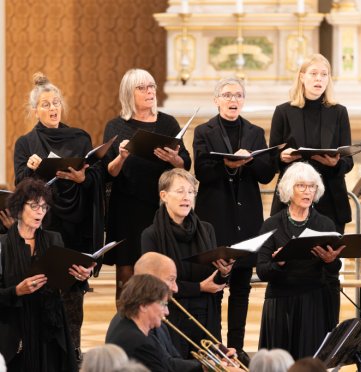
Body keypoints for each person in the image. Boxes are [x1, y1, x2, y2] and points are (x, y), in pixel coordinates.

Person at [13, 72, 105, 359]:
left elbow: (95, 178)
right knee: (43, 289)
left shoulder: (80, 137)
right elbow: (20, 190)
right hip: (44, 226)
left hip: (76, 224)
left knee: (74, 290)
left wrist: (81, 179)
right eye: (45, 104)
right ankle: (40, 352)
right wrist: (31, 170)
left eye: (56, 103)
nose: (52, 108)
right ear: (34, 111)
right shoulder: (26, 143)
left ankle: (74, 350)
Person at [193, 77, 275, 356]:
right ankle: (214, 349)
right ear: (216, 100)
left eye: (238, 95)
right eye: (227, 95)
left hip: (247, 219)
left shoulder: (255, 131)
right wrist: (227, 163)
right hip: (215, 220)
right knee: (214, 289)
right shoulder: (204, 131)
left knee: (241, 291)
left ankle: (236, 349)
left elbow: (265, 175)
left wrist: (249, 162)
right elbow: (202, 172)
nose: (233, 100)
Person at [269, 53, 352, 326]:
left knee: (328, 269)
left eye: (323, 74)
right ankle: (292, 333)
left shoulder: (338, 111)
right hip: (293, 202)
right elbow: (273, 156)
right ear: (302, 77)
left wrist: (335, 162)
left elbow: (348, 160)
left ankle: (328, 336)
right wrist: (281, 158)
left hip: (330, 201)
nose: (318, 79)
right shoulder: (284, 111)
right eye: (313, 73)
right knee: (292, 266)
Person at [102, 68, 191, 299]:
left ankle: (159, 325)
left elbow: (186, 163)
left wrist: (174, 159)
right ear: (128, 93)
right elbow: (107, 172)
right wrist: (121, 157)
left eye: (151, 86)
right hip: (127, 207)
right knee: (126, 270)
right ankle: (126, 326)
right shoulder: (115, 126)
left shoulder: (168, 123)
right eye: (141, 88)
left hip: (160, 207)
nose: (149, 91)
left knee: (161, 267)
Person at [0, 178, 95, 371]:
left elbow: (65, 280)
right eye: (34, 206)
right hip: (16, 328)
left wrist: (80, 276)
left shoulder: (54, 239)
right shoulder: (2, 245)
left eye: (44, 207)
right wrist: (17, 291)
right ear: (19, 207)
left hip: (50, 328)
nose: (40, 212)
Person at [256, 162, 344, 359]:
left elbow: (334, 270)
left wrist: (330, 261)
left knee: (308, 362)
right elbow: (262, 270)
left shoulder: (324, 223)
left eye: (312, 186)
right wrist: (278, 263)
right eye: (301, 186)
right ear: (289, 189)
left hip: (313, 302)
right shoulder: (271, 224)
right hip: (280, 304)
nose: (307, 191)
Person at [141, 169, 232, 358]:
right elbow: (153, 285)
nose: (187, 197)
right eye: (180, 191)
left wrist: (224, 273)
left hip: (206, 314)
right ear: (164, 195)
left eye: (191, 192)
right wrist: (198, 288)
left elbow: (214, 277)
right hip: (170, 316)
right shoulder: (151, 235)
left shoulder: (207, 230)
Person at [106, 252, 203, 372]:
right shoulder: (137, 339)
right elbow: (167, 366)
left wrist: (214, 361)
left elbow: (172, 359)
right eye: (171, 279)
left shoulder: (154, 322)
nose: (176, 288)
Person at [105, 274, 171, 372]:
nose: (167, 312)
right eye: (163, 304)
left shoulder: (125, 324)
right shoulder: (140, 343)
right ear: (143, 305)